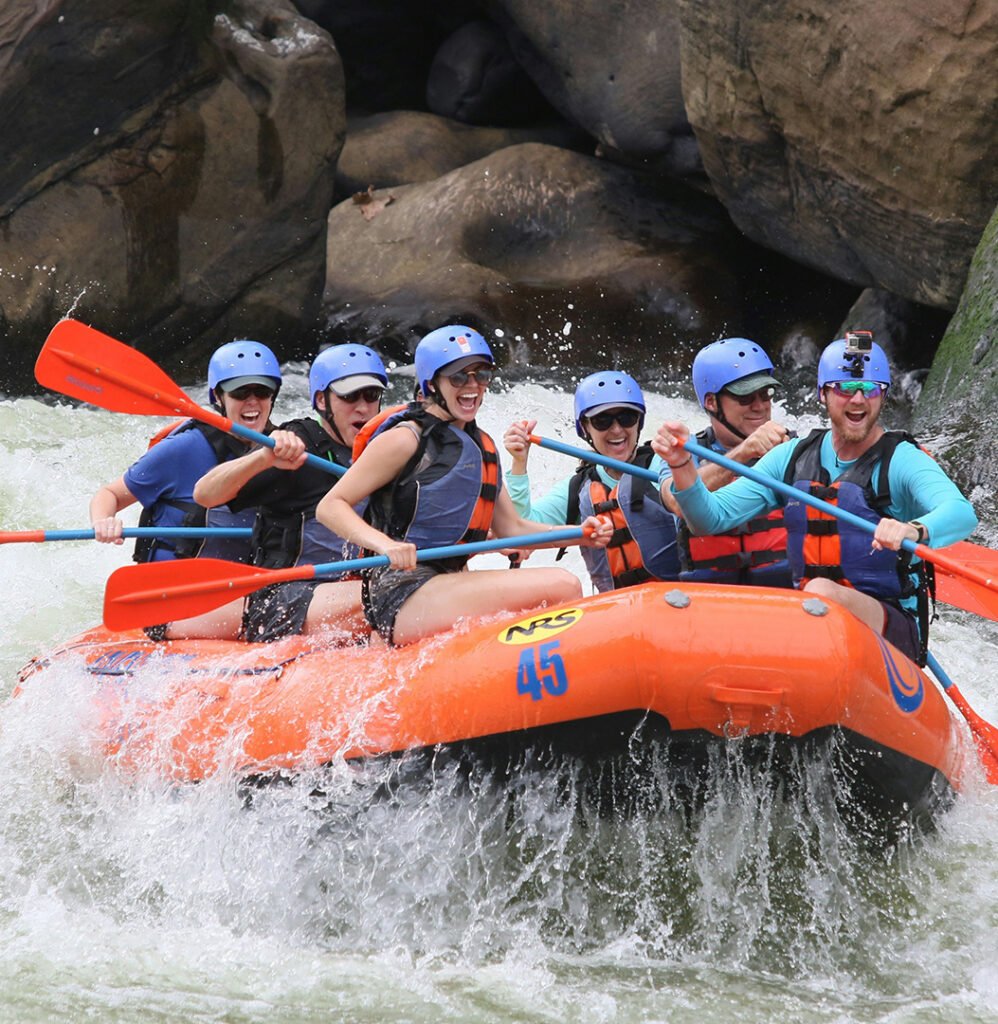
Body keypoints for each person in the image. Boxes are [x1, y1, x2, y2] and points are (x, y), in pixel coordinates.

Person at [653, 337, 979, 665]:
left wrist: (914, 530)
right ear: (823, 393)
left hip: (889, 628)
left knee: (821, 593)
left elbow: (961, 513)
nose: (858, 400)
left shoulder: (901, 460)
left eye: (871, 389)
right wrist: (682, 468)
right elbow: (710, 518)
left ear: (884, 395)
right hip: (811, 623)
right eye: (844, 388)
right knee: (807, 602)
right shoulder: (793, 457)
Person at [316, 325, 613, 647]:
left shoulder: (483, 446)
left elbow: (511, 527)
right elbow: (330, 506)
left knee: (555, 586)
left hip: (448, 583)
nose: (472, 386)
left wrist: (579, 532)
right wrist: (385, 545)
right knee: (563, 584)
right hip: (401, 591)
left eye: (480, 375)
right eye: (458, 377)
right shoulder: (404, 439)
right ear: (432, 384)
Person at [162, 343, 390, 643]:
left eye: (371, 396)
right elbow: (205, 494)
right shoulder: (298, 444)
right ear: (322, 401)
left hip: (348, 585)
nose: (362, 407)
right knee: (387, 597)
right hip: (283, 595)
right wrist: (263, 458)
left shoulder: (386, 446)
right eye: (349, 396)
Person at [89, 340, 282, 564]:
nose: (252, 401)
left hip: (246, 583)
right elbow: (109, 494)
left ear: (272, 397)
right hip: (177, 576)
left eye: (262, 391)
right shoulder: (185, 448)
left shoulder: (284, 447)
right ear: (219, 397)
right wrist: (103, 521)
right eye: (239, 392)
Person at [503, 370, 679, 592]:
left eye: (627, 417)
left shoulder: (664, 465)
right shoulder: (578, 488)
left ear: (639, 422)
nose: (616, 429)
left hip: (680, 597)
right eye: (602, 420)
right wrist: (519, 464)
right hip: (617, 607)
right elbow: (519, 531)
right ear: (585, 428)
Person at [666, 338, 794, 588]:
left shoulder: (795, 449)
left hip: (785, 594)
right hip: (711, 599)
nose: (759, 406)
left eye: (765, 394)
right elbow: (677, 501)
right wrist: (744, 452)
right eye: (745, 397)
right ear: (711, 402)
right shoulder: (680, 452)